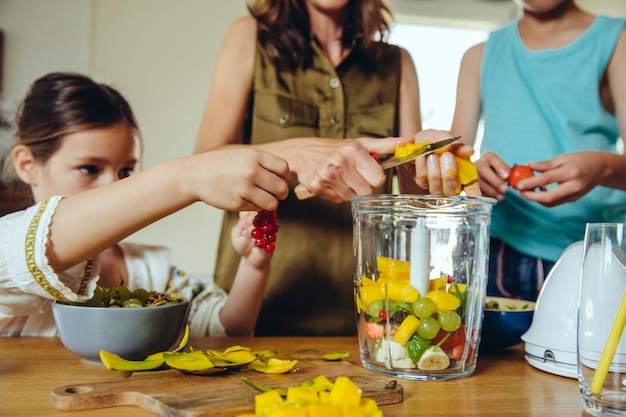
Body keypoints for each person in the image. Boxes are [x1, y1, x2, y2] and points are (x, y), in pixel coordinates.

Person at [194, 0, 477, 336]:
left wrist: (428, 161)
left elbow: (410, 201)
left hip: (366, 318)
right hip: (252, 312)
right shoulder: (250, 37)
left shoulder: (397, 63)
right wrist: (298, 155)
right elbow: (206, 164)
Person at [0, 72, 291, 337]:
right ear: (28, 165)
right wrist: (187, 177)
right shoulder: (11, 257)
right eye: (89, 168)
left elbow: (223, 330)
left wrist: (254, 267)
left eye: (126, 171)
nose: (114, 186)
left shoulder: (152, 270)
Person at [450, 0, 626, 301]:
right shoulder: (478, 56)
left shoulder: (617, 40)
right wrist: (473, 173)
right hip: (494, 254)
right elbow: (452, 167)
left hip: (589, 255)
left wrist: (600, 168)